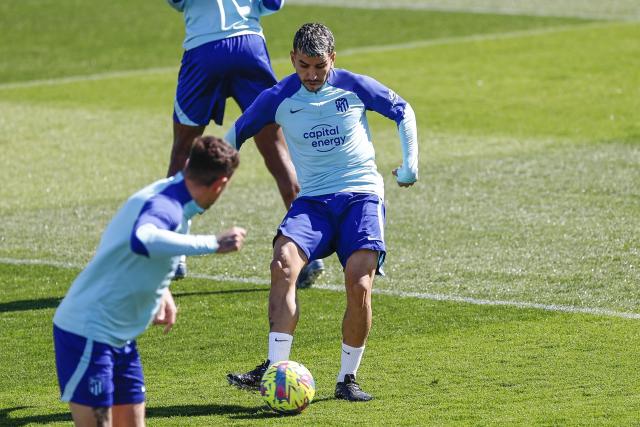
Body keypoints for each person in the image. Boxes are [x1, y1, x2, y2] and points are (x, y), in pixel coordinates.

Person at [225, 23, 419, 401]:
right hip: (312, 201)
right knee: (283, 263)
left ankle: (347, 379)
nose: (312, 75)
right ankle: (275, 369)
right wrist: (214, 175)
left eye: (319, 66)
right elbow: (236, 133)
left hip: (361, 196)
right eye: (303, 67)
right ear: (292, 60)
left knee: (359, 281)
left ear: (333, 59)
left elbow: (403, 110)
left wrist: (410, 165)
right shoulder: (278, 96)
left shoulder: (353, 85)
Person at [53, 136, 246, 426]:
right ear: (220, 184)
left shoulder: (171, 195)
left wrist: (162, 288)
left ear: (189, 164)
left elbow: (129, 249)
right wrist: (213, 243)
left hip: (119, 338)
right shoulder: (167, 205)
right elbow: (143, 238)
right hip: (88, 334)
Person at [165, 0, 324, 286]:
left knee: (183, 149)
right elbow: (272, 4)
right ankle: (309, 252)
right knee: (275, 149)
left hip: (204, 51)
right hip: (248, 46)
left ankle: (172, 254)